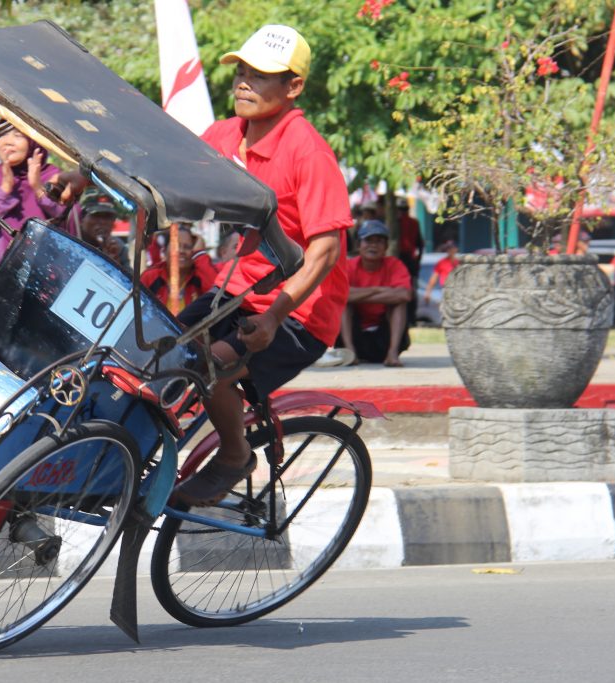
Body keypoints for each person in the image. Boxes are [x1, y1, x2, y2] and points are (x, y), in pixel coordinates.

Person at [173, 25, 352, 506]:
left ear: (293, 87)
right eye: (243, 71)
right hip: (241, 287)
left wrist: (274, 317)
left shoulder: (308, 151)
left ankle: (234, 456)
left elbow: (326, 251)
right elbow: (164, 164)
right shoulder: (226, 134)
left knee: (211, 369)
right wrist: (81, 175)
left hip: (299, 311)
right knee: (160, 349)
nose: (244, 83)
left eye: (262, 75)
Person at [0, 129, 65, 267]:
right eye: (2, 134)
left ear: (34, 142)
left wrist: (37, 187)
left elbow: (69, 222)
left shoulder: (55, 177)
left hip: (41, 270)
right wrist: (5, 190)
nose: (8, 142)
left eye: (18, 136)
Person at [338, 220, 412, 367]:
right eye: (368, 241)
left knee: (398, 304)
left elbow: (405, 295)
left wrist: (358, 295)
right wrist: (377, 289)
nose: (373, 245)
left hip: (383, 337)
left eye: (379, 241)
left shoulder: (394, 264)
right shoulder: (348, 266)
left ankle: (392, 353)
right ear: (359, 245)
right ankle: (350, 352)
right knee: (344, 304)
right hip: (354, 334)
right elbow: (341, 295)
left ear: (386, 246)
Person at [140, 224, 218, 311]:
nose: (181, 251)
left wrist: (199, 254)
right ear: (164, 251)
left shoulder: (201, 275)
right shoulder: (150, 277)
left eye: (187, 247)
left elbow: (218, 295)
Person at [395, 197, 423, 326]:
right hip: (409, 259)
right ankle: (410, 318)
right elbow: (420, 244)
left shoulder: (398, 222)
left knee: (406, 289)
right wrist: (418, 260)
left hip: (404, 258)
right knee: (410, 289)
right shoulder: (413, 222)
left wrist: (417, 261)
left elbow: (419, 243)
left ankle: (410, 318)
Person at [423, 240, 459, 305]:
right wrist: (428, 292)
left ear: (456, 249)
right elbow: (434, 277)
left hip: (458, 291)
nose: (449, 250)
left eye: (451, 248)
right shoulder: (441, 262)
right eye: (448, 248)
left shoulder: (459, 263)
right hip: (445, 290)